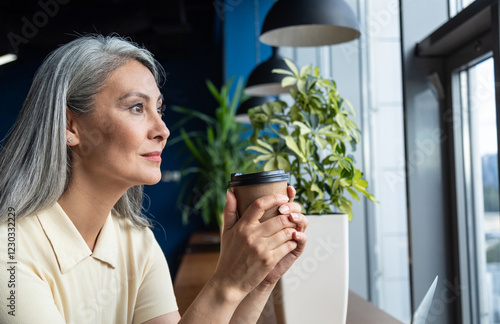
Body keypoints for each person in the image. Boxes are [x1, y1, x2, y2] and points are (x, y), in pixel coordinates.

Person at [0, 34, 308, 323]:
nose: (163, 130)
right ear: (71, 126)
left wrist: (256, 282)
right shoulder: (8, 252)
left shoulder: (134, 239)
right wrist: (226, 284)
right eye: (136, 107)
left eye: (158, 109)